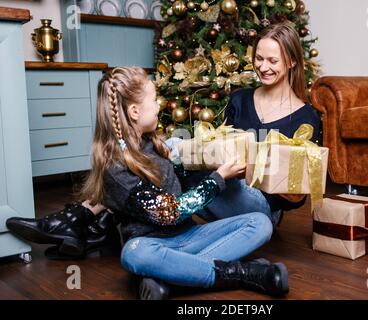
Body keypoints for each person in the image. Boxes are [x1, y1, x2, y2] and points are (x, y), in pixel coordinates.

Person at [8, 67, 288, 300]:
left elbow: (179, 184)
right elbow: (169, 213)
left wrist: (210, 158)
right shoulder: (116, 170)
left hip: (189, 239)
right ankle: (242, 274)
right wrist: (218, 179)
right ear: (133, 111)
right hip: (153, 246)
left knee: (259, 223)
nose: (159, 104)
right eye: (154, 100)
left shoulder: (153, 142)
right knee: (133, 254)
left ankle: (173, 278)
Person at [193, 22, 320, 226]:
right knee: (178, 156)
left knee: (210, 180)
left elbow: (296, 198)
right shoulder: (239, 99)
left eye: (272, 61)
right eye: (259, 59)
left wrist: (254, 172)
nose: (263, 67)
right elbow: (222, 151)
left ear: (292, 62)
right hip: (224, 187)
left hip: (263, 206)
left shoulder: (306, 119)